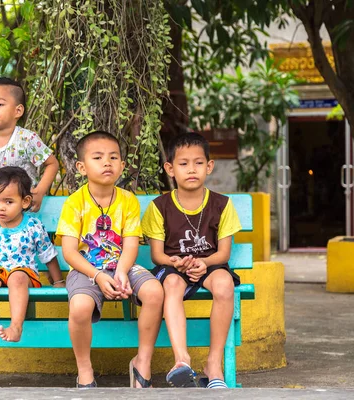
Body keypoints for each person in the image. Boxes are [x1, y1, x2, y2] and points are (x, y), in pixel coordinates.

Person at [56, 131, 164, 388]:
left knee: (154, 292)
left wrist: (122, 271)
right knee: (80, 307)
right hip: (85, 269)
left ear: (122, 166)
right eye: (98, 157)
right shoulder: (74, 203)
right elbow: (69, 252)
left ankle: (142, 361)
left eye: (113, 157)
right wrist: (98, 275)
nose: (107, 162)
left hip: (122, 264)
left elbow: (130, 244)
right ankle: (85, 370)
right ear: (81, 167)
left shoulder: (128, 201)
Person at [141, 132, 242, 389]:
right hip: (174, 267)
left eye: (198, 163)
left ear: (209, 166)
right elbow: (157, 255)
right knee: (172, 285)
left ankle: (213, 364)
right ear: (170, 169)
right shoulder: (159, 206)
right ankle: (182, 360)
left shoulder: (222, 205)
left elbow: (223, 254)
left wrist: (205, 264)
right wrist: (177, 262)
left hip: (210, 264)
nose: (191, 169)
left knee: (224, 285)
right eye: (183, 164)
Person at [0, 166, 64, 345]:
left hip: (23, 270)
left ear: (25, 202)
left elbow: (48, 254)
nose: (0, 207)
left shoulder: (33, 225)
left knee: (17, 278)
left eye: (8, 202)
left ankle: (16, 327)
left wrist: (58, 281)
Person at [0, 77, 59, 212]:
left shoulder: (27, 139)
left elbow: (52, 164)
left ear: (18, 111)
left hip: (25, 212)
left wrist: (39, 192)